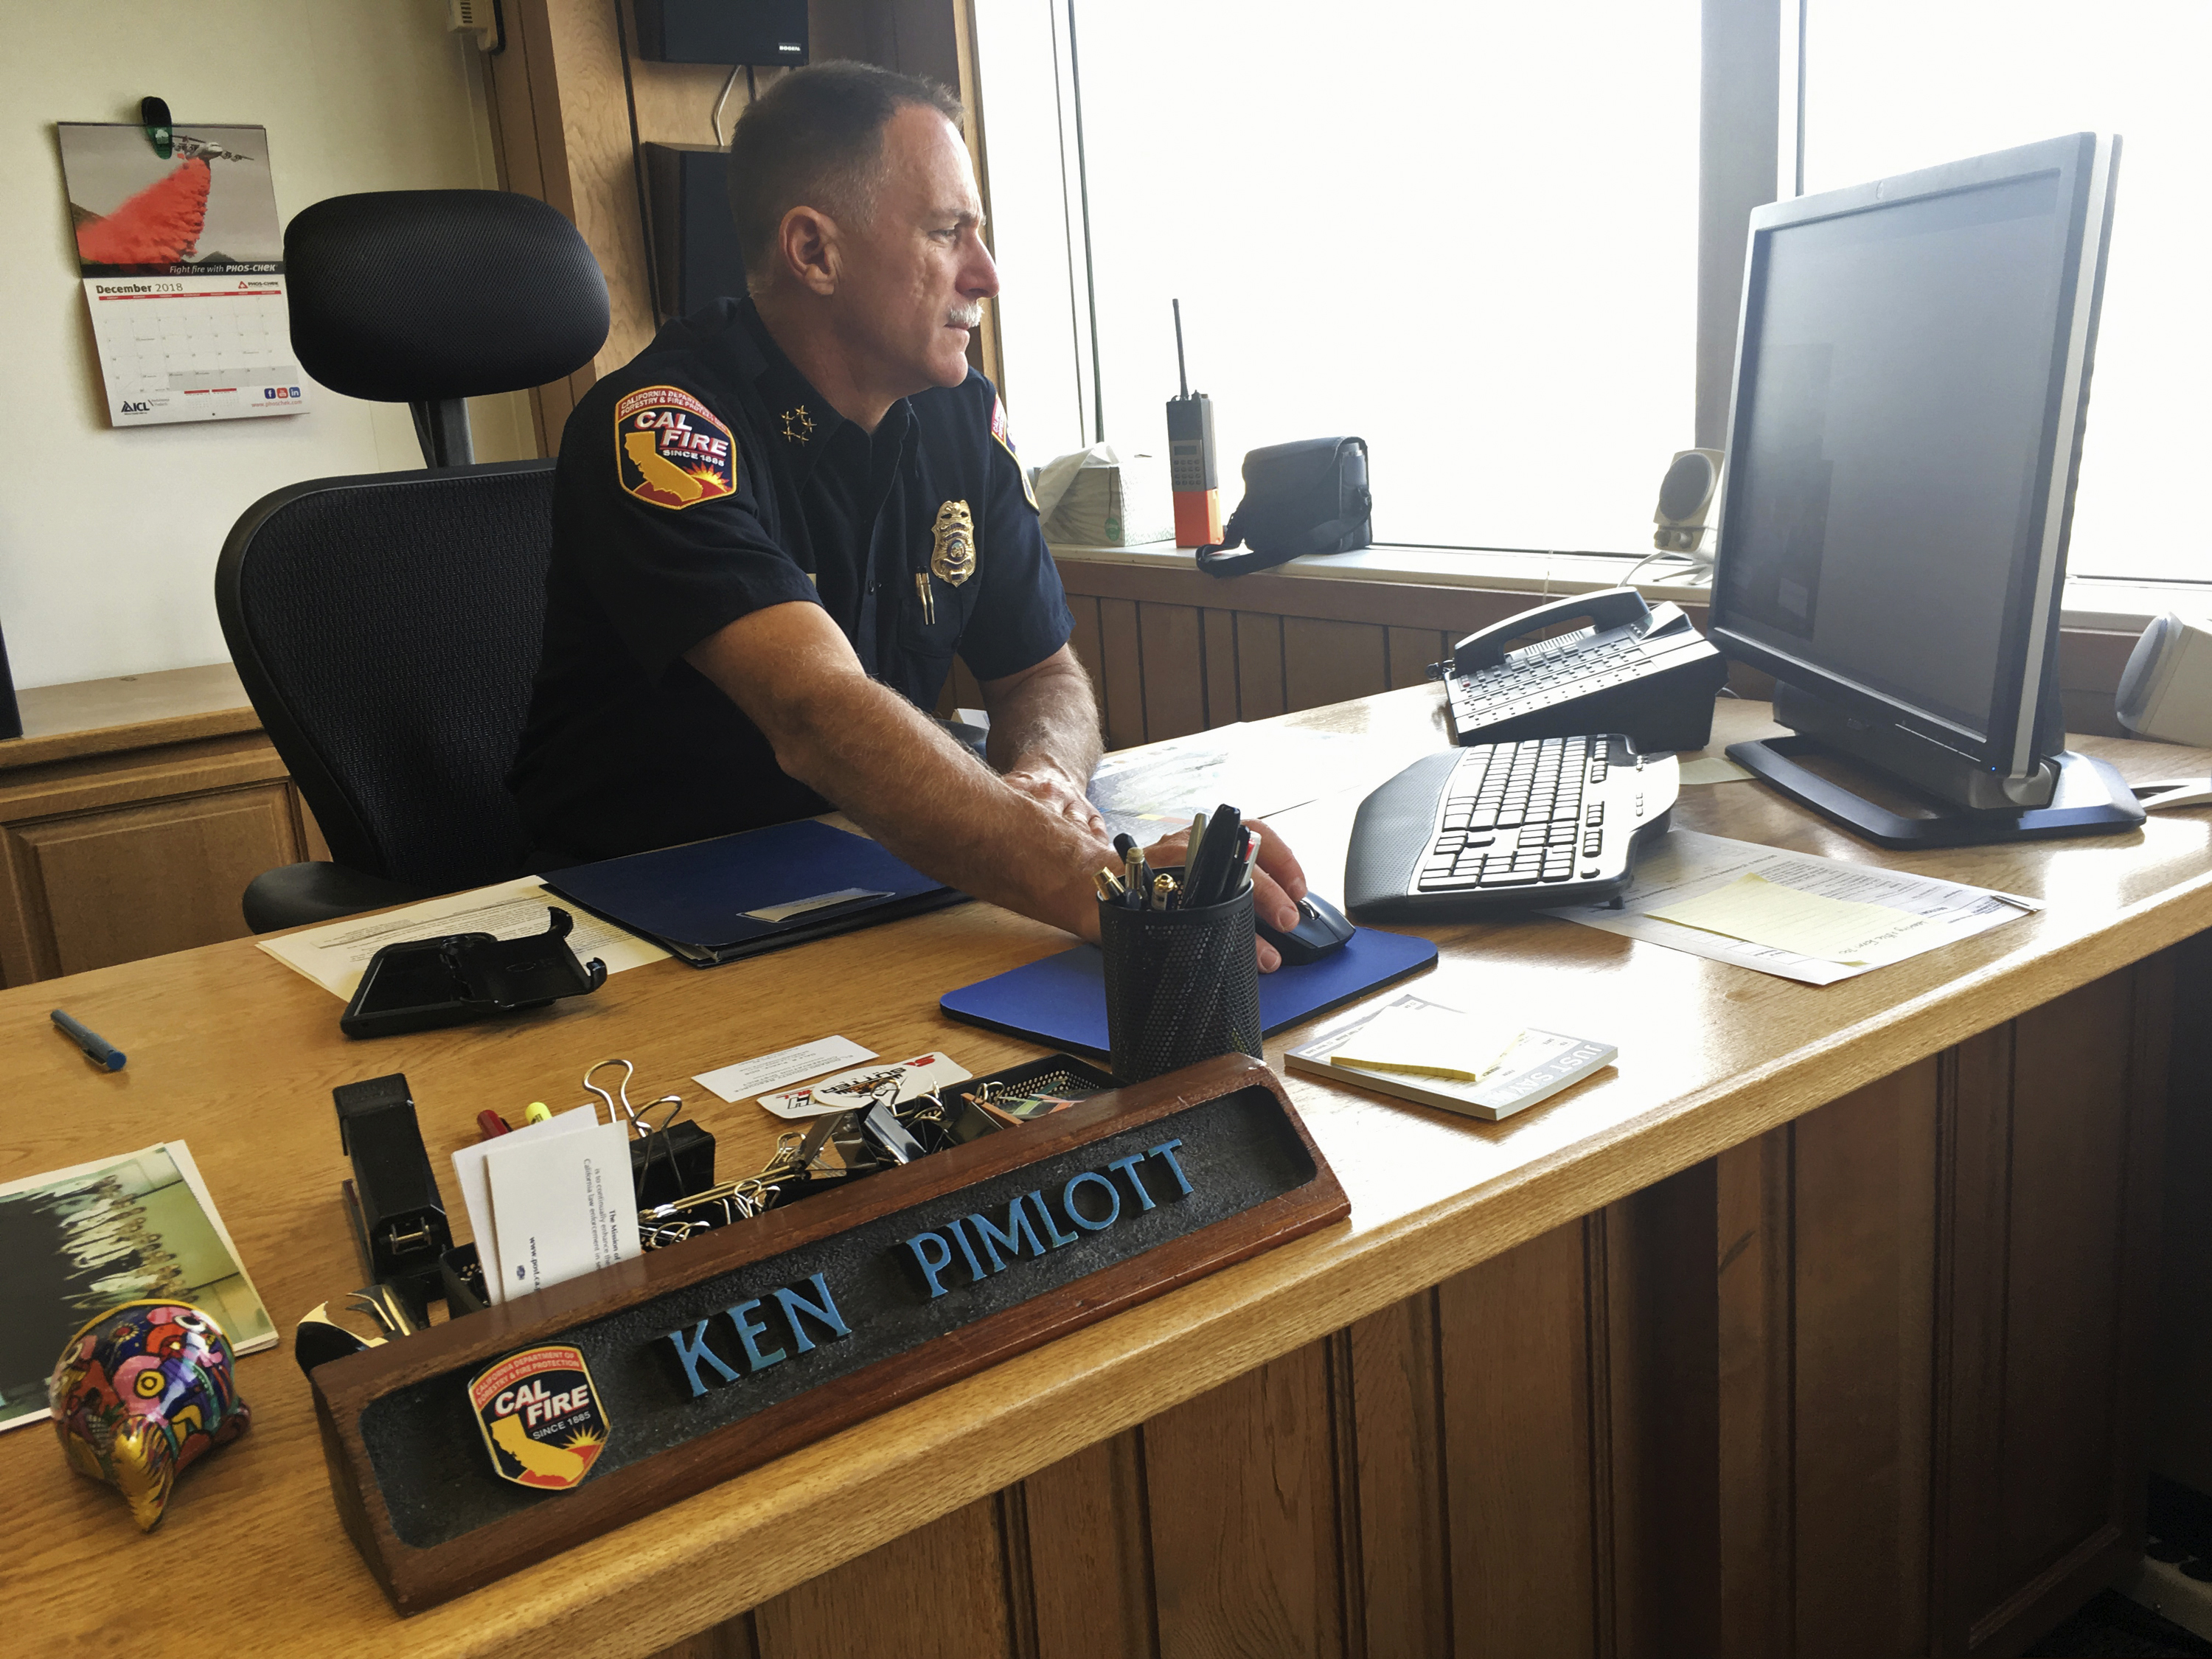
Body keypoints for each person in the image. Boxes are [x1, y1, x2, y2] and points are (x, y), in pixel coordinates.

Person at [507, 62, 1309, 964]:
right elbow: (819, 714)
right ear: (815, 252)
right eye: (946, 233)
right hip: (641, 919)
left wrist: (1044, 775)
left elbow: (1043, 676)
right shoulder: (664, 428)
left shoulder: (960, 414)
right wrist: (1110, 886)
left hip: (879, 875)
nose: (988, 274)